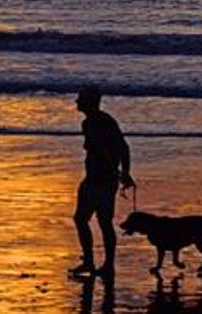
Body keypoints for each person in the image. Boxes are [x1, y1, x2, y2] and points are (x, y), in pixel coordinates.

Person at [70, 85, 136, 277]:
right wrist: (124, 171)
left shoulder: (91, 123)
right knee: (101, 222)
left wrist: (120, 170)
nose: (77, 101)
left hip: (98, 179)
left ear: (89, 102)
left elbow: (104, 149)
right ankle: (105, 264)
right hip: (105, 178)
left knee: (83, 219)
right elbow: (124, 147)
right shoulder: (105, 120)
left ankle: (94, 262)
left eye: (80, 98)